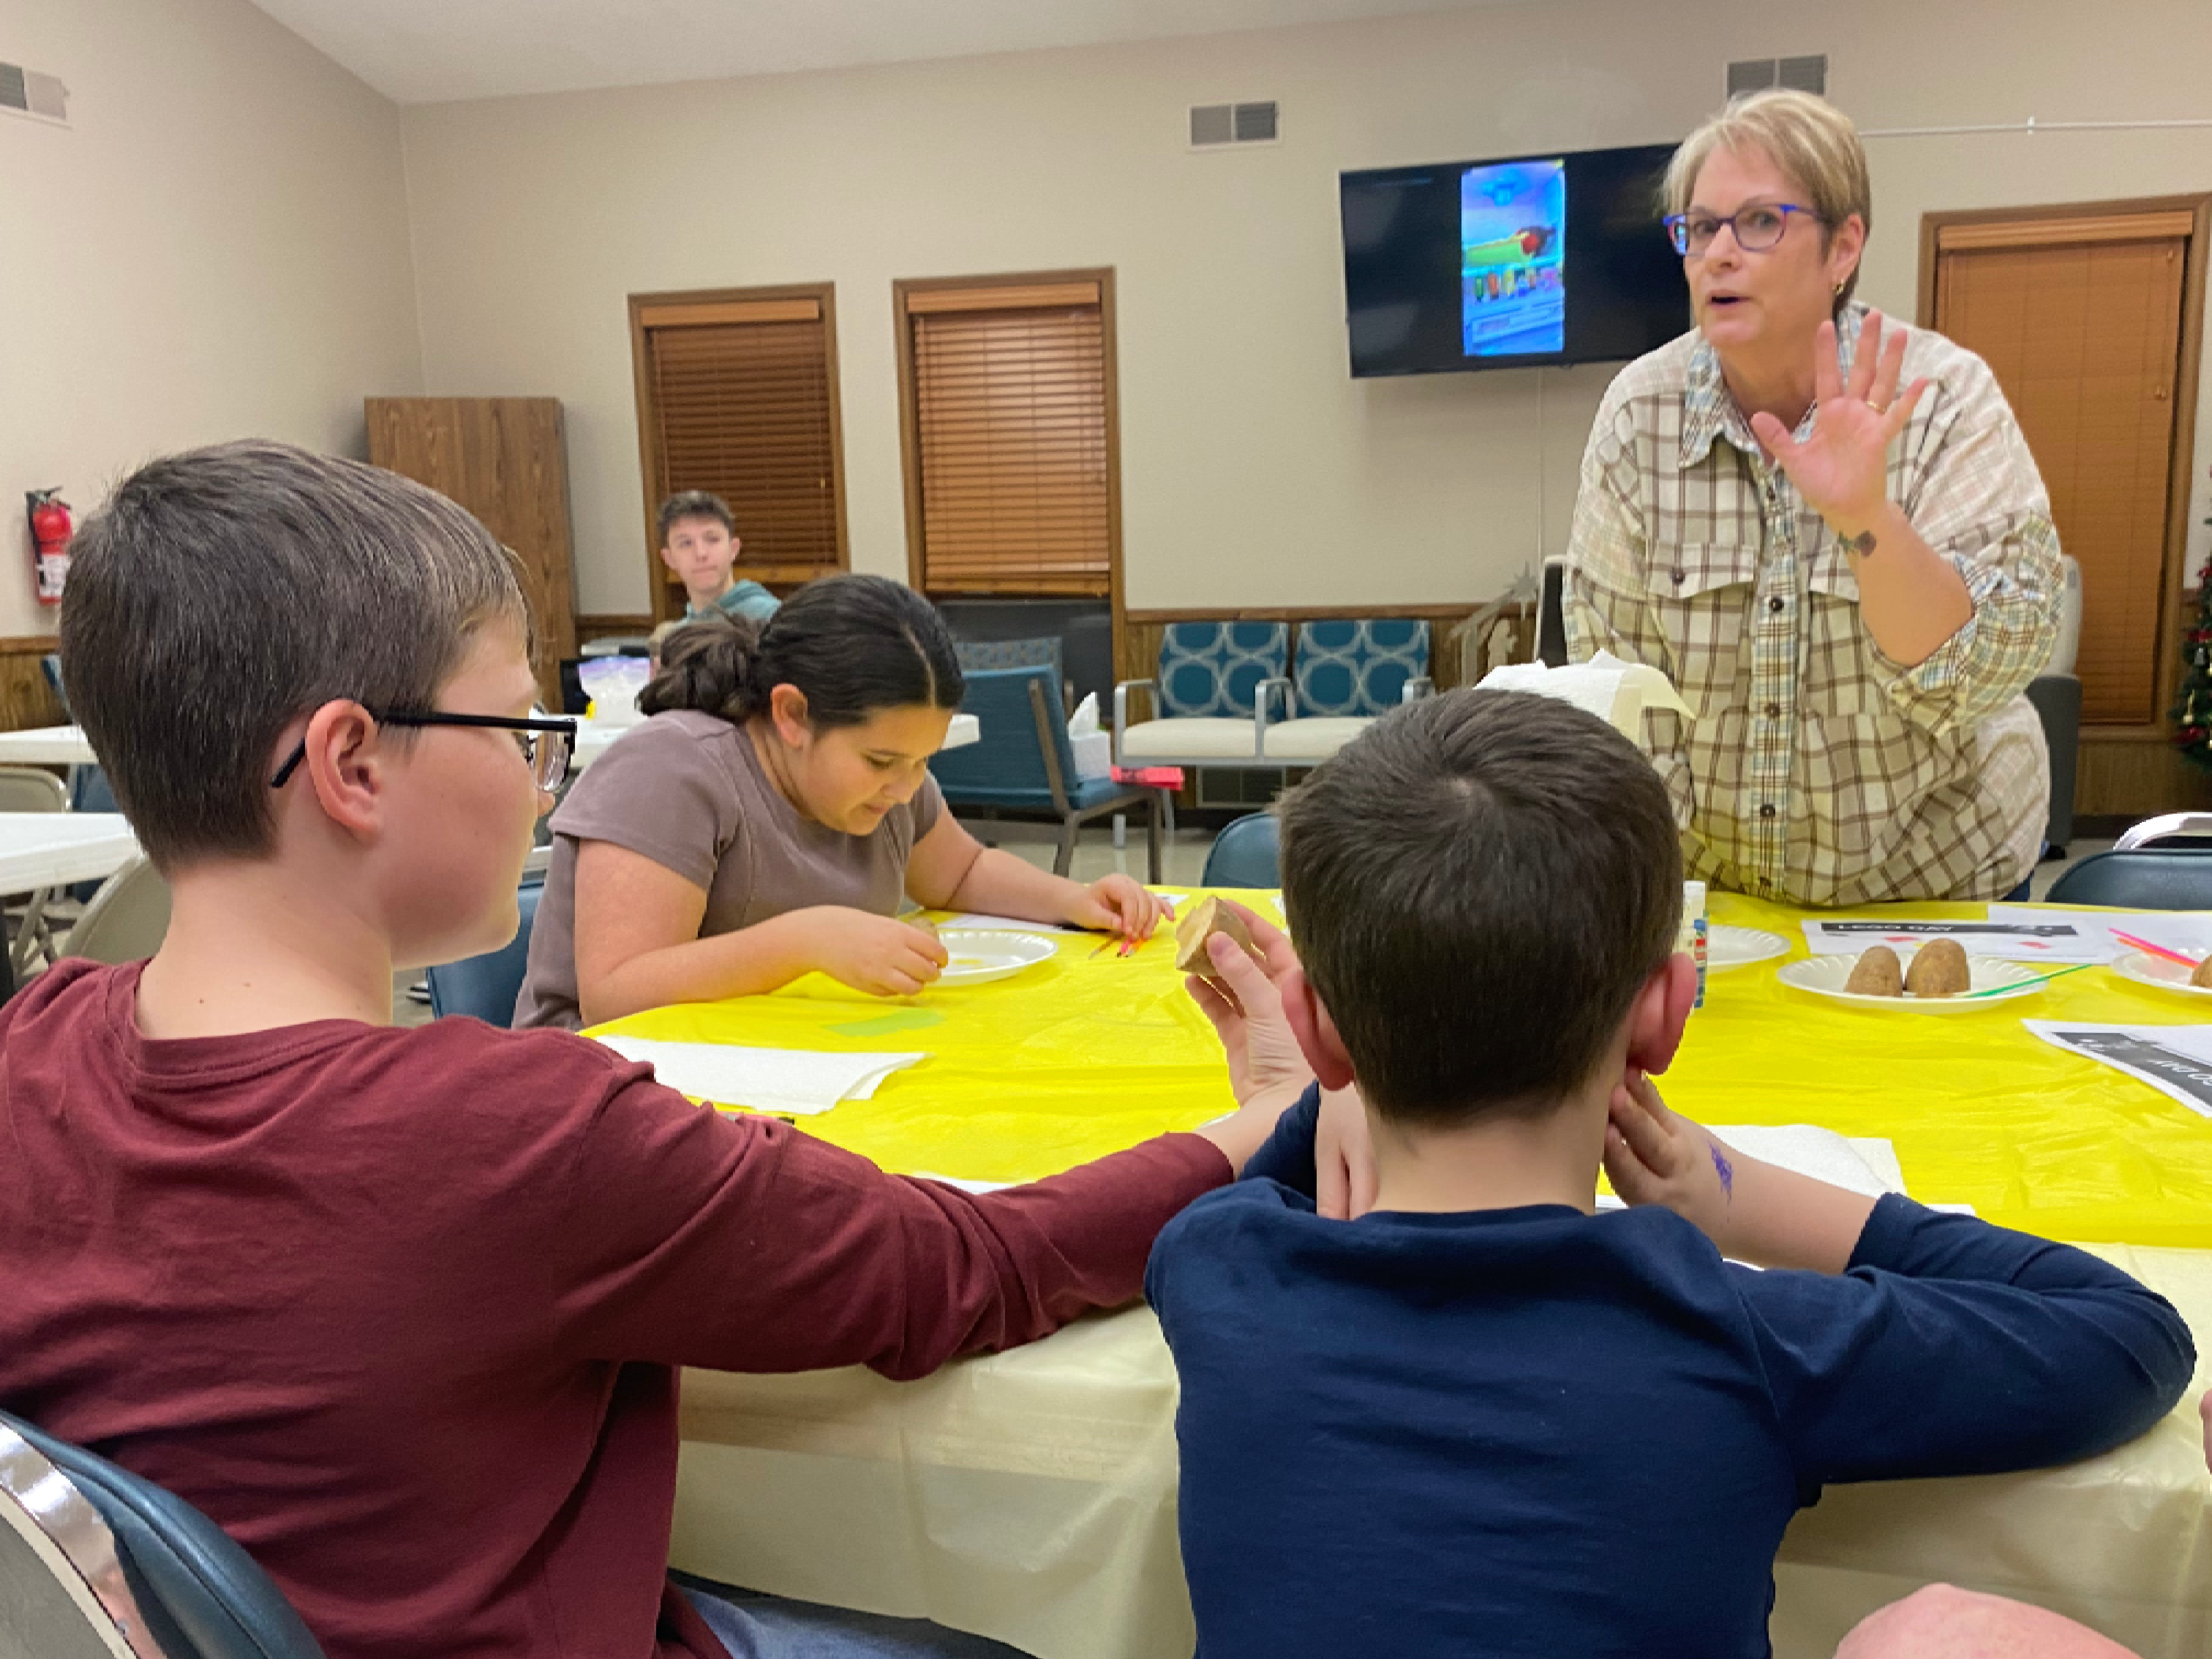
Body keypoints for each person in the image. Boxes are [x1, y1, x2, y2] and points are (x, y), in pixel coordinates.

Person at [0, 440, 1310, 1659]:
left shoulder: (30, 1047)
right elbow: (963, 1268)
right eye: (521, 732)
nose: (542, 781)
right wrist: (1258, 1124)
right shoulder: (516, 1133)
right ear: (352, 763)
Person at [1146, 688, 2192, 1658]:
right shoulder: (1741, 1333)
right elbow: (2126, 1333)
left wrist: (1319, 1079)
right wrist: (1731, 1190)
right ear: (1665, 1010)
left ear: (1317, 1031)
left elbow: (1245, 1182)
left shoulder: (1216, 1265)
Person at [1563, 89, 2062, 906]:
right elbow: (1615, 698)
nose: (1718, 254)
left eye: (1759, 222)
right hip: (1716, 895)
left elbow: (1987, 673)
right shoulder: (1637, 417)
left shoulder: (1941, 399)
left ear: (1843, 247)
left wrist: (1868, 521)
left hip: (1933, 880)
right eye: (1700, 228)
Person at [516, 577, 1165, 1030]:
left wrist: (1073, 902)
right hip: (608, 1089)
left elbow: (960, 873)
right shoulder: (672, 770)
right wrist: (807, 941)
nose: (907, 787)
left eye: (922, 762)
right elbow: (615, 996)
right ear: (793, 714)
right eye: (883, 761)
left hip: (775, 1066)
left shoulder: (888, 786)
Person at [659, 489, 780, 629]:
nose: (701, 553)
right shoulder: (678, 635)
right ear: (669, 559)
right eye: (686, 543)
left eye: (712, 540)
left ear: (734, 549)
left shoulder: (773, 620)